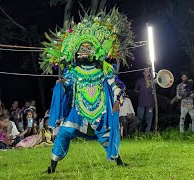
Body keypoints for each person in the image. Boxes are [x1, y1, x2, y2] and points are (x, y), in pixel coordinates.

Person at [41, 8, 133, 173]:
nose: (84, 52)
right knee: (63, 134)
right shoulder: (73, 72)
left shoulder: (104, 70)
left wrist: (118, 98)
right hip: (78, 111)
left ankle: (119, 162)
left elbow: (115, 86)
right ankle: (51, 167)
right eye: (81, 50)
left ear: (96, 51)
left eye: (88, 49)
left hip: (100, 111)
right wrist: (61, 85)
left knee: (106, 137)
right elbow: (66, 87)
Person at [135, 68, 154, 133]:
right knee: (139, 118)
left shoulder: (153, 81)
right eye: (145, 72)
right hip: (141, 103)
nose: (146, 73)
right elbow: (135, 90)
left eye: (148, 72)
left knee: (149, 119)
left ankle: (147, 133)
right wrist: (140, 92)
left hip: (150, 103)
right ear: (143, 73)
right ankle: (138, 132)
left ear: (149, 73)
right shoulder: (139, 81)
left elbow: (155, 91)